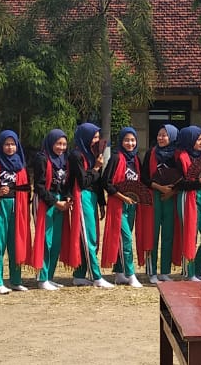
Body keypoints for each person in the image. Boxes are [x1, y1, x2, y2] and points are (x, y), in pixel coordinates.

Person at [100, 127, 151, 288]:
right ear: (121, 141)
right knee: (127, 239)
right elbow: (106, 183)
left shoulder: (136, 159)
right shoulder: (116, 158)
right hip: (118, 205)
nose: (130, 143)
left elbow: (141, 181)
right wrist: (123, 197)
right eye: (126, 140)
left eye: (133, 140)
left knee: (124, 240)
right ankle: (130, 274)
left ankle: (120, 272)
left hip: (132, 207)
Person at [0, 128, 31, 294]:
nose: (10, 148)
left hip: (18, 207)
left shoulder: (21, 165)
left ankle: (16, 280)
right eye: (6, 144)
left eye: (12, 144)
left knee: (16, 243)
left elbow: (26, 188)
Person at [31, 129, 80, 290]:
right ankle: (42, 277)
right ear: (51, 142)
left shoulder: (64, 160)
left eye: (64, 144)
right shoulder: (42, 158)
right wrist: (55, 202)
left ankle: (49, 276)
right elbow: (39, 186)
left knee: (56, 241)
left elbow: (66, 183)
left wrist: (66, 197)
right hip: (46, 201)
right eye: (58, 143)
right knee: (46, 239)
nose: (61, 147)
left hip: (60, 201)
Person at [68, 122, 113, 288]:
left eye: (97, 136)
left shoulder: (93, 153)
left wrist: (101, 202)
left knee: (88, 236)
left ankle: (80, 275)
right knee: (89, 237)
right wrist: (95, 167)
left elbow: (98, 181)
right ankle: (96, 276)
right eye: (93, 136)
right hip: (82, 196)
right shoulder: (76, 155)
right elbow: (83, 181)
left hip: (93, 197)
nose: (96, 140)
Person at [174, 125, 201, 281]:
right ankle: (189, 272)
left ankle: (197, 270)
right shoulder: (180, 158)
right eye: (198, 139)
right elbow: (178, 184)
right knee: (190, 237)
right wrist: (197, 181)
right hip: (188, 200)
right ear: (190, 140)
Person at [144, 124, 179, 284]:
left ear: (172, 137)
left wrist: (171, 191)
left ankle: (165, 271)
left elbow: (184, 176)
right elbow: (144, 178)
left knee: (168, 235)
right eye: (159, 135)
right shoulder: (150, 154)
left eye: (164, 135)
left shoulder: (178, 155)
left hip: (171, 198)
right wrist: (160, 188)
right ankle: (151, 272)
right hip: (154, 197)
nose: (161, 138)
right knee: (153, 234)